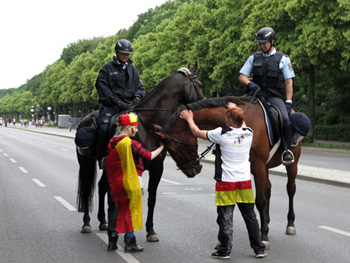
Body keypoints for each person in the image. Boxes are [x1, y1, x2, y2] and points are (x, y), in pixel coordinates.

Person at [180, 105, 266, 260]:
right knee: (250, 216)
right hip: (245, 181)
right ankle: (259, 249)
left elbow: (196, 132)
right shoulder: (249, 133)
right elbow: (243, 124)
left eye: (227, 118)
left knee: (225, 218)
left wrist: (189, 118)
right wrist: (236, 109)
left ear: (230, 121)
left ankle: (224, 250)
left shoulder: (220, 134)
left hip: (227, 182)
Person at [104, 113, 164, 253]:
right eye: (135, 128)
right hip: (132, 182)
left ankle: (112, 241)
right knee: (130, 212)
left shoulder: (112, 142)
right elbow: (149, 155)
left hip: (116, 182)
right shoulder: (132, 144)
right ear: (128, 127)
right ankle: (130, 242)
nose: (136, 131)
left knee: (115, 210)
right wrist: (161, 148)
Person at [239, 27, 295, 165]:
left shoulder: (283, 59)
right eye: (260, 43)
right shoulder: (253, 57)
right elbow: (242, 76)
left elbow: (288, 82)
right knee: (234, 112)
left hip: (273, 96)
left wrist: (288, 101)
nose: (261, 45)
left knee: (285, 119)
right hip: (254, 95)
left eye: (264, 43)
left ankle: (287, 150)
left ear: (272, 41)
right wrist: (249, 84)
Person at [95, 39, 145, 165]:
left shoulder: (133, 70)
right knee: (105, 128)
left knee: (144, 126)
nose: (125, 56)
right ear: (117, 52)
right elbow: (103, 88)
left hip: (130, 106)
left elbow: (140, 87)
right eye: (123, 53)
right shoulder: (106, 69)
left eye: (128, 54)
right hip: (111, 106)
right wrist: (116, 101)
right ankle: (102, 157)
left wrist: (137, 98)